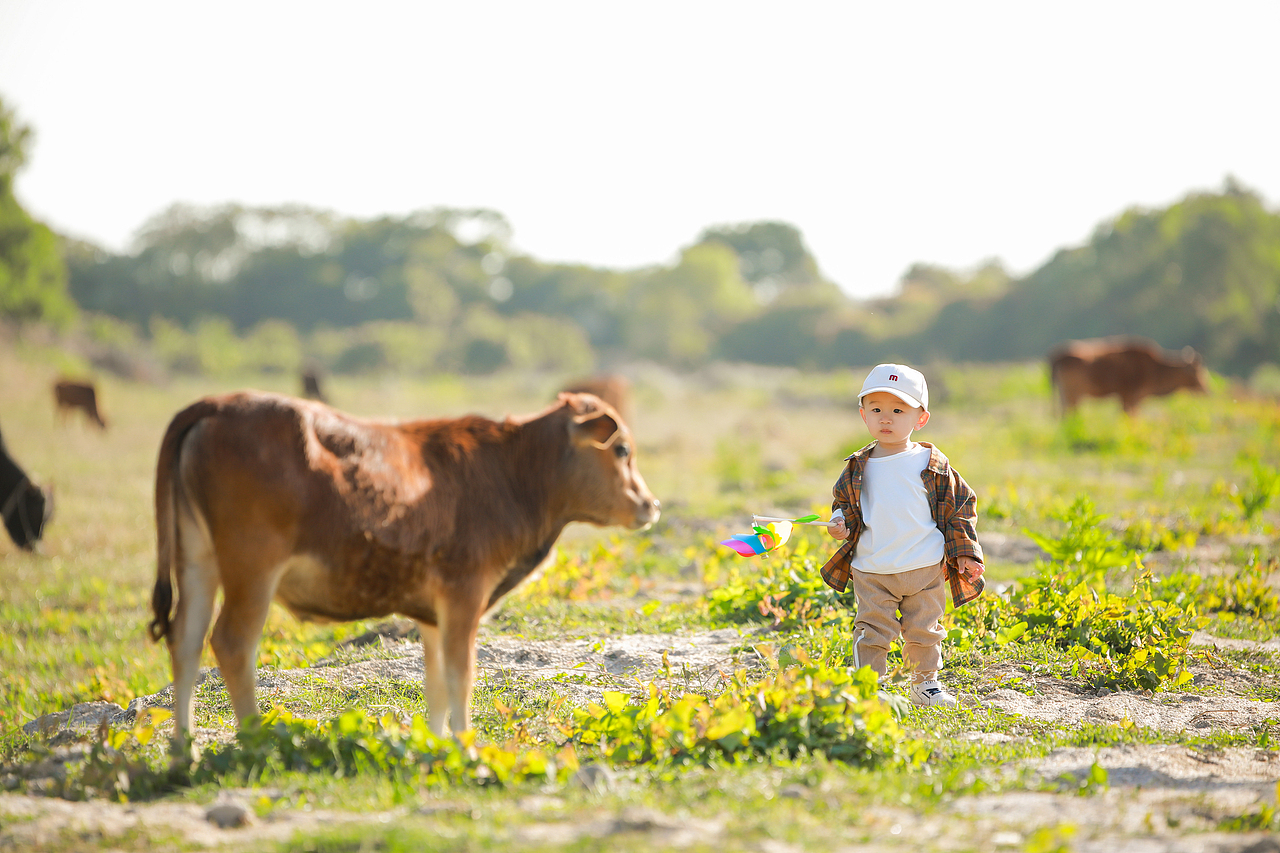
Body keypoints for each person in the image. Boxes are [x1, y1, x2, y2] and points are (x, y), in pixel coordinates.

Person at [820, 363, 985, 707]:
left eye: (898, 410)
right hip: (873, 568)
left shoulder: (933, 464)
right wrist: (839, 522)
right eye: (877, 410)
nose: (886, 418)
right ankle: (871, 685)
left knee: (924, 630)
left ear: (920, 418)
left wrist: (967, 552)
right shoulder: (858, 465)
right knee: (872, 630)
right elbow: (844, 505)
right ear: (863, 414)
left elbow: (960, 507)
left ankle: (925, 684)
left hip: (924, 566)